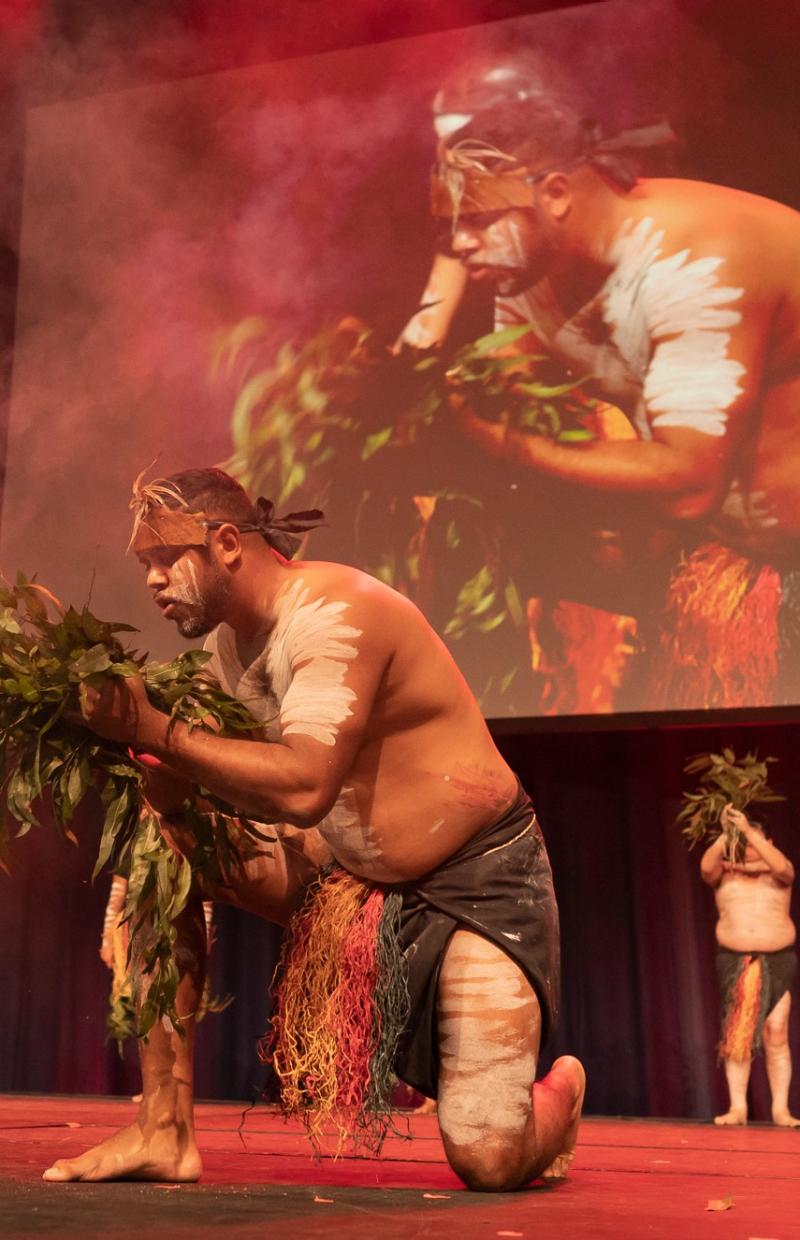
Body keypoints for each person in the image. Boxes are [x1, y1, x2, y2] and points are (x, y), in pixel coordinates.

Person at [42, 466, 583, 1190]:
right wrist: (158, 783)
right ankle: (162, 1130)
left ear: (227, 543)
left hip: (472, 885)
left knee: (488, 1160)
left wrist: (157, 729)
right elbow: (232, 794)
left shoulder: (335, 614)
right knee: (159, 854)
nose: (153, 581)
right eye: (145, 565)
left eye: (168, 559)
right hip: (350, 882)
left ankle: (560, 1094)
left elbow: (302, 787)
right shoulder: (228, 651)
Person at [400, 53, 800, 710]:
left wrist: (504, 444)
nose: (460, 245)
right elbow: (519, 397)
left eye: (476, 221)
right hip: (727, 569)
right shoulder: (531, 266)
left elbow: (689, 484)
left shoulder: (695, 267)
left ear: (554, 193)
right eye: (451, 224)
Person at [700, 803, 798, 1127]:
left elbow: (783, 865)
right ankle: (738, 1107)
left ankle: (780, 1109)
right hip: (735, 961)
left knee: (776, 1031)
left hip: (778, 959)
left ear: (766, 841)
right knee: (737, 1035)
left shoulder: (778, 873)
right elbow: (705, 867)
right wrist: (728, 834)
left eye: (754, 839)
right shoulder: (723, 874)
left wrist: (748, 832)